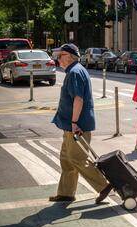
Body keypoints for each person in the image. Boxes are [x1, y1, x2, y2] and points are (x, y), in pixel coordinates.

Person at [49, 43, 112, 203]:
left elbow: (78, 99)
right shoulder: (76, 70)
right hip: (69, 125)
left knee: (77, 158)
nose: (58, 59)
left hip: (76, 125)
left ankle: (103, 186)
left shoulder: (75, 72)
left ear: (69, 56)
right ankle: (66, 193)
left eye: (61, 55)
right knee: (66, 158)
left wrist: (75, 122)